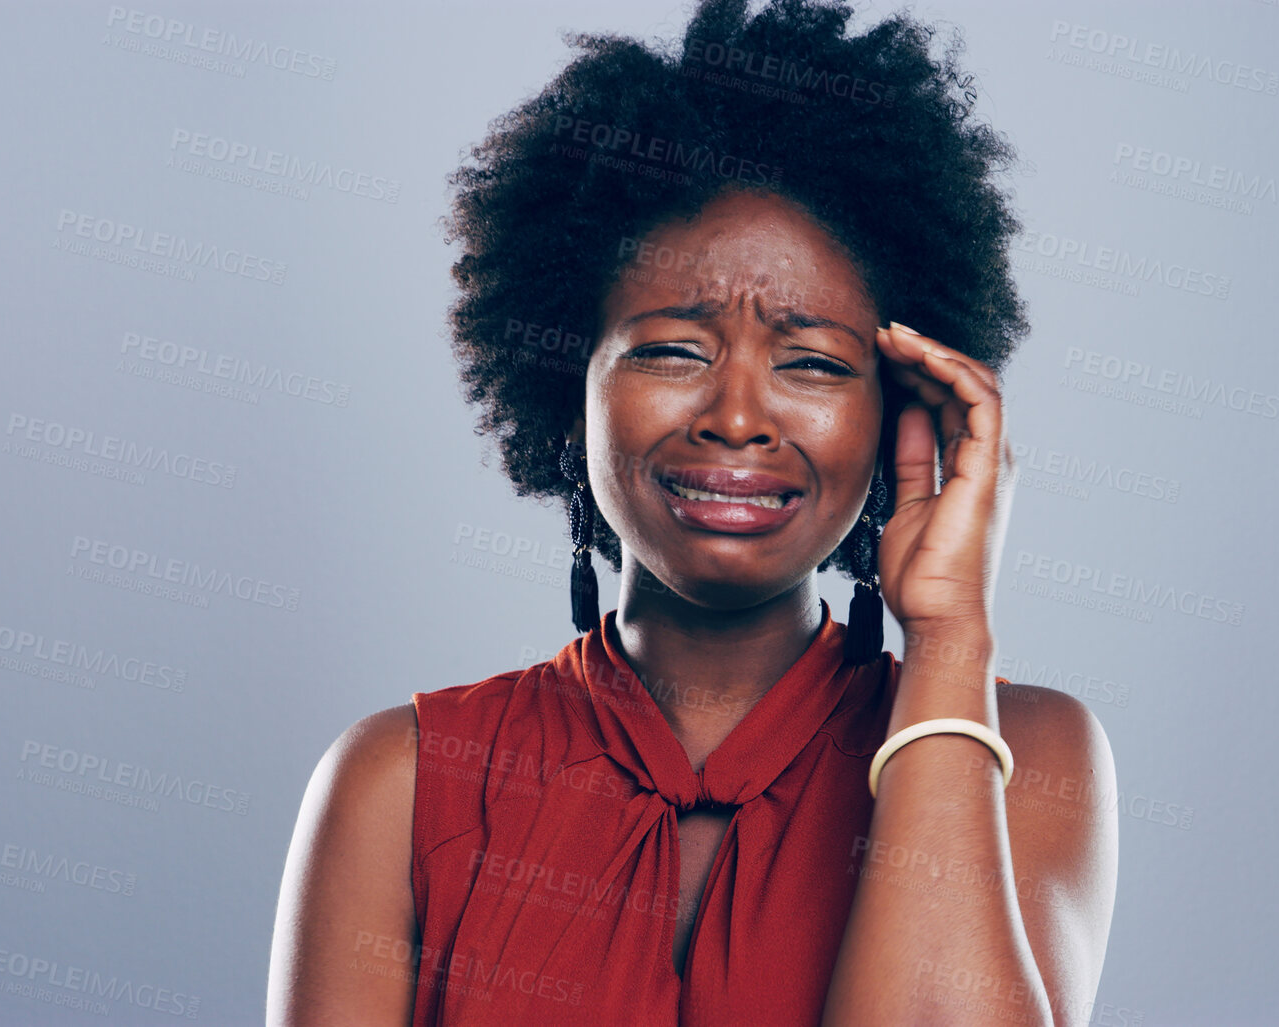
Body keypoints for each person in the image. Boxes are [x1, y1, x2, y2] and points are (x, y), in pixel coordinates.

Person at [269, 1, 1116, 1023]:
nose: (738, 416)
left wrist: (946, 635)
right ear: (562, 383)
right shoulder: (399, 783)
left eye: (812, 363)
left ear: (901, 413)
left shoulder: (1023, 752)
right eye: (674, 349)